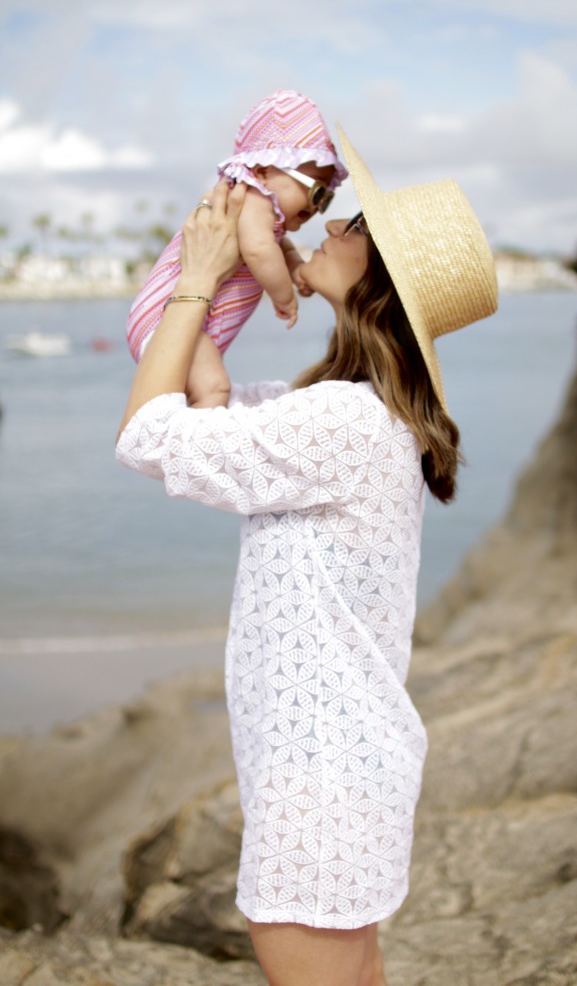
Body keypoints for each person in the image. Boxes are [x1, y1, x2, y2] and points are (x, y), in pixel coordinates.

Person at [116, 128, 498, 986]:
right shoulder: (346, 411)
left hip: (321, 776)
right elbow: (194, 408)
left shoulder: (344, 424)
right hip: (335, 763)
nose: (331, 228)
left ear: (380, 278)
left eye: (353, 226)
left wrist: (200, 283)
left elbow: (147, 436)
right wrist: (237, 260)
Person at [126, 89, 347, 407]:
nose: (319, 206)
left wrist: (297, 266)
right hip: (165, 316)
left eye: (327, 198)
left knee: (191, 392)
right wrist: (284, 295)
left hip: (189, 317)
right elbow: (259, 250)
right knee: (214, 388)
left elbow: (278, 246)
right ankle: (196, 453)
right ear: (263, 171)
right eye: (316, 192)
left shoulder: (266, 215)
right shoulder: (251, 197)